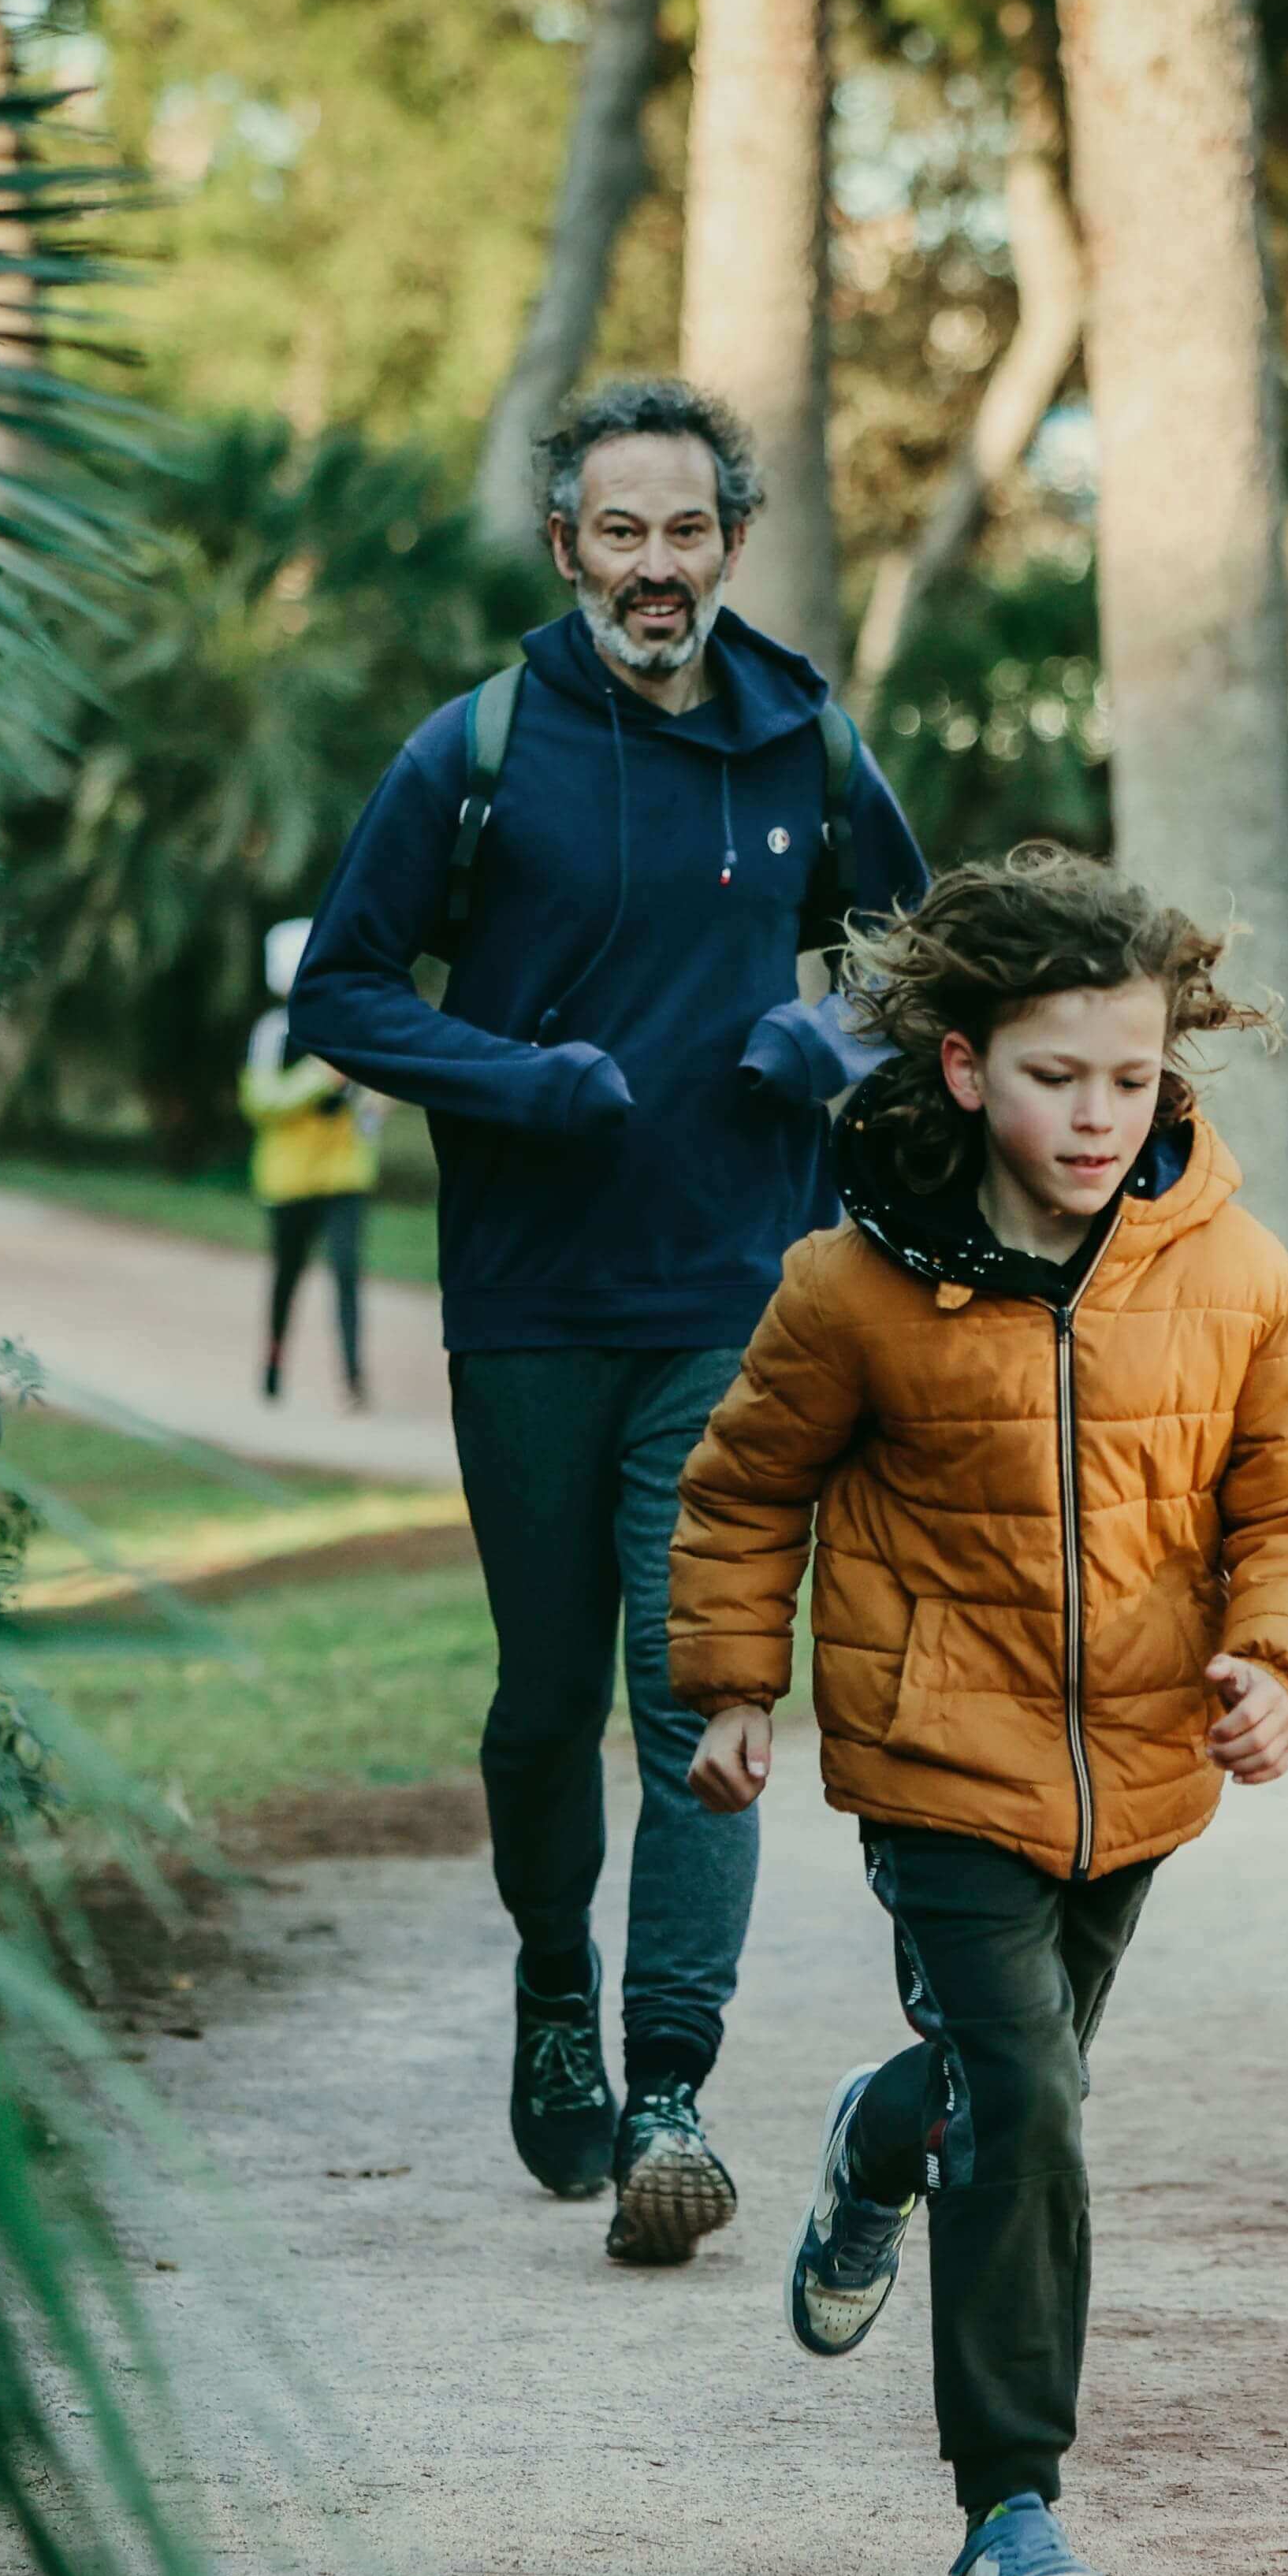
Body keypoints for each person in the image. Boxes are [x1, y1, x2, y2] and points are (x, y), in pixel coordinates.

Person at [666, 848, 1288, 2576]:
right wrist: (737, 1687)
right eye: (1055, 1076)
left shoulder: (1231, 1272)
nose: (1093, 1115)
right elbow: (746, 1487)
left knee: (1004, 2094)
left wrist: (1282, 1666)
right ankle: (1009, 2507)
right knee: (1034, 2105)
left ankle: (875, 2133)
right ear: (967, 1067)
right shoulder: (852, 1284)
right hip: (936, 1758)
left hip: (1138, 1765)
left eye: (1128, 1079)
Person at [283, 378, 927, 2264]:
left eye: (686, 532)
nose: (656, 568)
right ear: (567, 547)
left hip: (733, 1293)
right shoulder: (474, 748)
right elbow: (341, 993)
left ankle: (667, 2085)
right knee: (547, 1698)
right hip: (528, 1298)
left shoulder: (801, 739)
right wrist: (513, 1080)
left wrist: (823, 1034)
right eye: (619, 534)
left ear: (730, 542)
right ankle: (552, 1974)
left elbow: (918, 952)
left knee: (704, 1687)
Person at [245, 916, 382, 1410]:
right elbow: (260, 1101)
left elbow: (369, 1100)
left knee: (347, 1275)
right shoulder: (270, 1033)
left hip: (345, 1173)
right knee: (287, 1276)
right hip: (288, 1179)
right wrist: (318, 1080)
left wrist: (368, 1107)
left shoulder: (348, 1028)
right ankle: (274, 1364)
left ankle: (353, 1380)